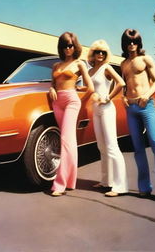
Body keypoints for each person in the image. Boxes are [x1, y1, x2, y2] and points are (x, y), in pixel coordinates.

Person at [120, 28, 155, 206]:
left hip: (146, 106)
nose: (131, 45)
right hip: (131, 108)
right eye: (128, 42)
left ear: (139, 43)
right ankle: (144, 187)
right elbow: (124, 85)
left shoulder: (145, 59)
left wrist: (147, 95)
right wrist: (122, 97)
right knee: (138, 149)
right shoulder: (123, 64)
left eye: (134, 42)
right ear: (124, 44)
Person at [49, 31, 94, 196]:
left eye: (70, 45)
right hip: (57, 103)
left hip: (71, 102)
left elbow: (91, 88)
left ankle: (59, 184)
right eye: (64, 46)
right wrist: (52, 89)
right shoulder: (56, 66)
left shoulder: (79, 64)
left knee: (65, 141)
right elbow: (53, 84)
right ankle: (70, 180)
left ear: (75, 46)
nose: (68, 48)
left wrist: (79, 101)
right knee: (69, 141)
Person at [88, 39, 128, 197]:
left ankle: (120, 186)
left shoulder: (106, 68)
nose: (100, 54)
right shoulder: (90, 71)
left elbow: (121, 83)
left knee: (112, 146)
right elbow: (89, 89)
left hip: (106, 108)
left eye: (103, 52)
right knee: (101, 146)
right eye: (97, 51)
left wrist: (108, 97)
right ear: (92, 53)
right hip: (95, 109)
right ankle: (106, 182)